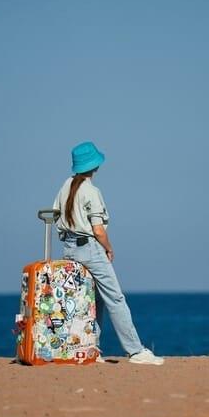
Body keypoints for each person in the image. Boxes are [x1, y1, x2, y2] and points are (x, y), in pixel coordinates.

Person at [52, 141, 164, 365]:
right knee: (115, 298)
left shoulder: (66, 185)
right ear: (95, 166)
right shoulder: (91, 191)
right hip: (90, 249)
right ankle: (135, 351)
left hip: (69, 248)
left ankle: (92, 349)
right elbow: (98, 230)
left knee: (93, 301)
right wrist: (108, 248)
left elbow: (56, 215)